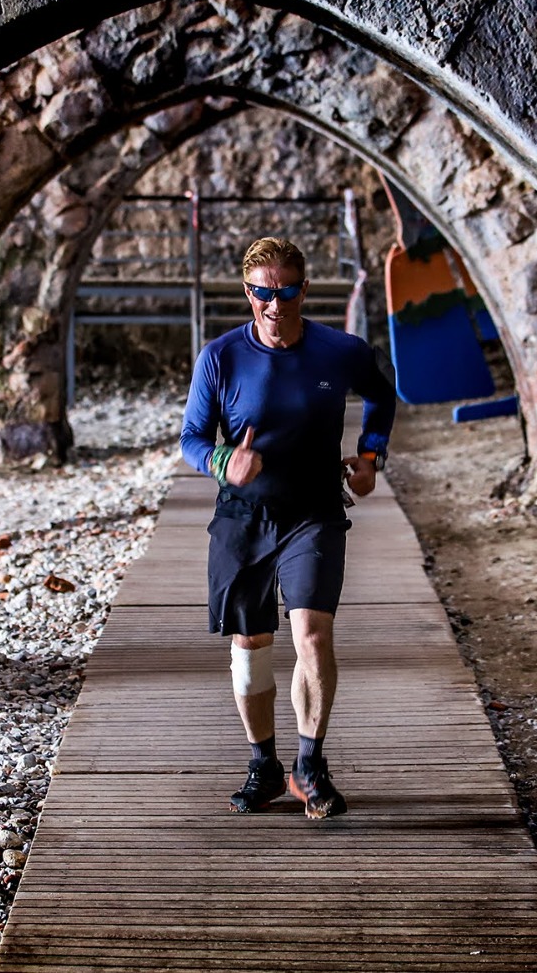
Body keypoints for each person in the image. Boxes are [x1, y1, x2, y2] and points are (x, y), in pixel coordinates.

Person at [180, 236, 397, 818]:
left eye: (289, 290)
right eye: (263, 293)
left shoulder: (339, 351)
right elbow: (192, 439)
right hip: (244, 516)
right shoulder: (220, 357)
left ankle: (310, 762)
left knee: (313, 636)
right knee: (250, 647)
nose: (276, 304)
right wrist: (225, 463)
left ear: (306, 288)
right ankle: (264, 764)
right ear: (248, 293)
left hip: (315, 512)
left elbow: (382, 388)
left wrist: (371, 455)